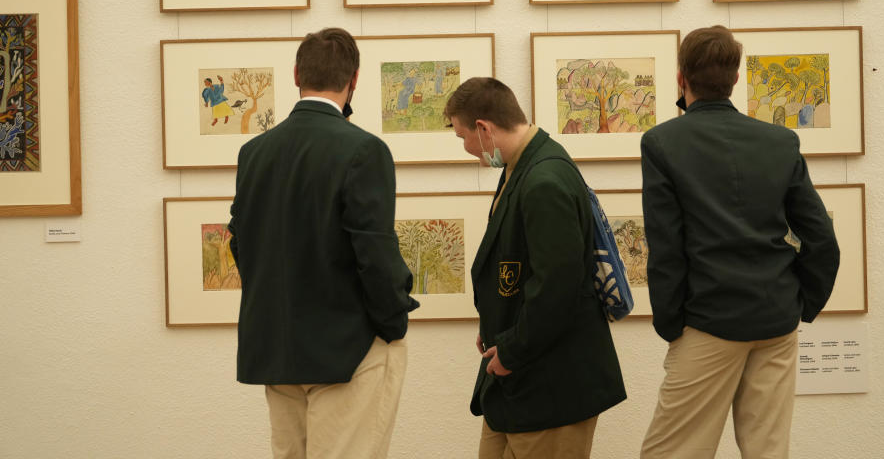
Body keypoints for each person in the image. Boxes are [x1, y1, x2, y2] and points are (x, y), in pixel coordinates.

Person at [639, 25, 840, 458]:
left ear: (681, 79)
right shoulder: (780, 141)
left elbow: (667, 247)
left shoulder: (662, 143)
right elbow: (821, 237)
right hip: (775, 318)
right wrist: (802, 304)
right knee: (768, 452)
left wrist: (671, 324)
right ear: (734, 79)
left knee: (673, 453)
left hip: (708, 319)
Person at [228, 28, 419, 459]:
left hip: (277, 348)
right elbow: (375, 252)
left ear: (296, 74)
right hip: (348, 348)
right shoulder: (364, 150)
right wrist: (392, 325)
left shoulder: (254, 151)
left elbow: (239, 241)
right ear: (354, 79)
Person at [444, 77, 626, 459]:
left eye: (462, 137)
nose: (465, 149)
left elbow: (556, 289)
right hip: (521, 379)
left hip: (550, 385)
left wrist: (510, 351)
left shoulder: (544, 179)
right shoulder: (521, 166)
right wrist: (496, 327)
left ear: (484, 128)